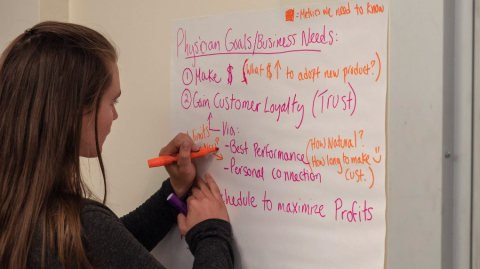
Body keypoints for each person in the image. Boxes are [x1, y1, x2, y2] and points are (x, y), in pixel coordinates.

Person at [0, 21, 234, 269]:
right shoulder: (83, 227)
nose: (114, 115)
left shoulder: (21, 210)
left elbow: (112, 248)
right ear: (75, 112)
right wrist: (211, 233)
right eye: (113, 102)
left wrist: (174, 193)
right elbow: (100, 241)